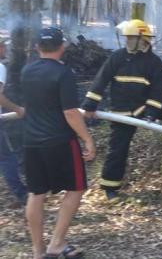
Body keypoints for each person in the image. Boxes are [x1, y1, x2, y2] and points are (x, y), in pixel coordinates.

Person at [82, 19, 162, 201]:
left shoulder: (153, 62)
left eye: (131, 37)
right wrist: (90, 104)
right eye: (127, 37)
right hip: (122, 113)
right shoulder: (117, 57)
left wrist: (151, 113)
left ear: (142, 39)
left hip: (145, 105)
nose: (127, 41)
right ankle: (110, 188)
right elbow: (101, 80)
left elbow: (156, 91)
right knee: (118, 150)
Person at [21, 27, 96, 259]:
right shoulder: (63, 73)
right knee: (76, 188)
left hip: (31, 141)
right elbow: (71, 113)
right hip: (60, 141)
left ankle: (37, 249)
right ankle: (56, 242)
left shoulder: (26, 71)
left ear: (37, 48)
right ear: (62, 47)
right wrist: (87, 139)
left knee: (36, 193)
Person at [0, 39, 29, 207]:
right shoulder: (0, 67)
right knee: (7, 157)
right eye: (2, 46)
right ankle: (21, 193)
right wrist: (17, 109)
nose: (5, 48)